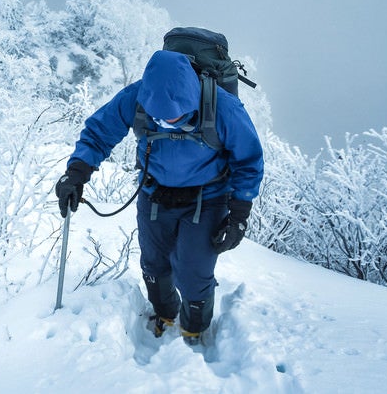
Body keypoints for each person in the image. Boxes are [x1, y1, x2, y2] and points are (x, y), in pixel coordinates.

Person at [55, 43, 263, 345]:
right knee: (154, 267)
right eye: (159, 119)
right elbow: (100, 132)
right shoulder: (138, 98)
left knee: (194, 272)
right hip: (155, 193)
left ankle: (194, 328)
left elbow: (249, 160)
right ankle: (165, 314)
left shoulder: (223, 107)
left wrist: (239, 216)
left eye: (175, 119)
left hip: (208, 197)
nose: (165, 124)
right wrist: (76, 173)